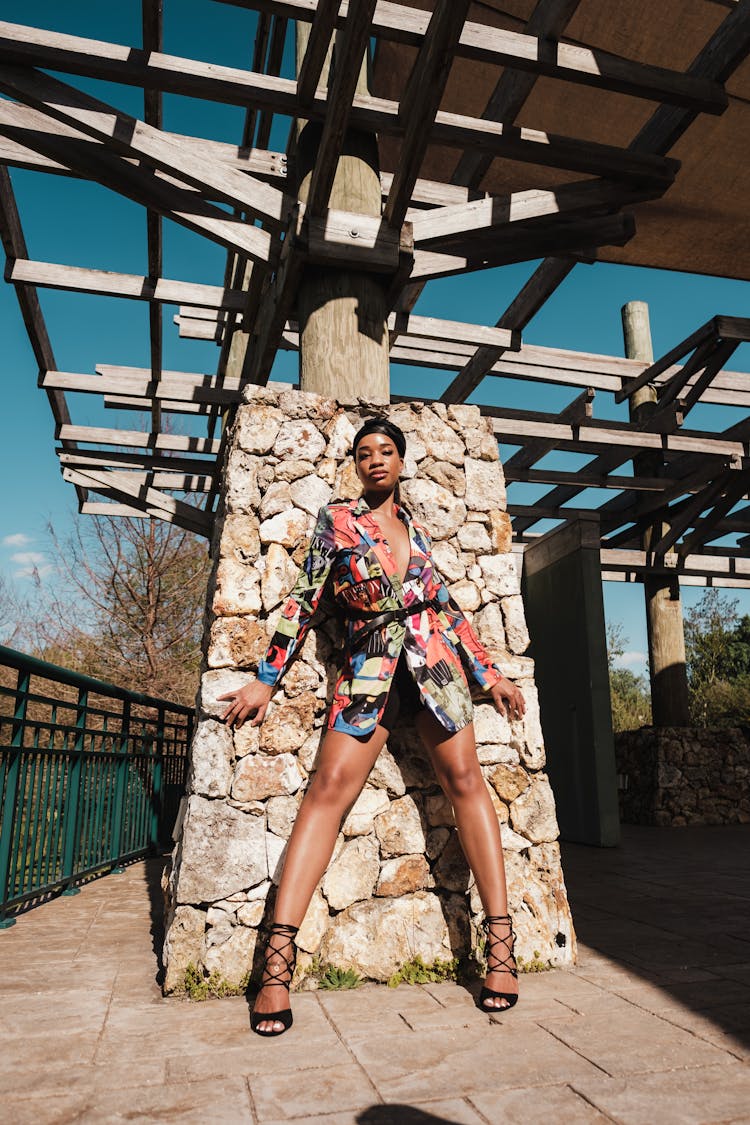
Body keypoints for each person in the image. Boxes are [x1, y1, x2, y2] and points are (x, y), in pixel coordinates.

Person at [219, 418, 526, 1037]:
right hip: (367, 672)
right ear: (356, 465)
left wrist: (488, 675)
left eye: (387, 451)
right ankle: (276, 970)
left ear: (402, 460)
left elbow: (445, 606)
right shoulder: (336, 524)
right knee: (326, 792)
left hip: (436, 669)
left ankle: (500, 948)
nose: (377, 461)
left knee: (467, 784)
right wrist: (265, 679)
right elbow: (303, 602)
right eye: (365, 454)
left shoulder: (422, 532)